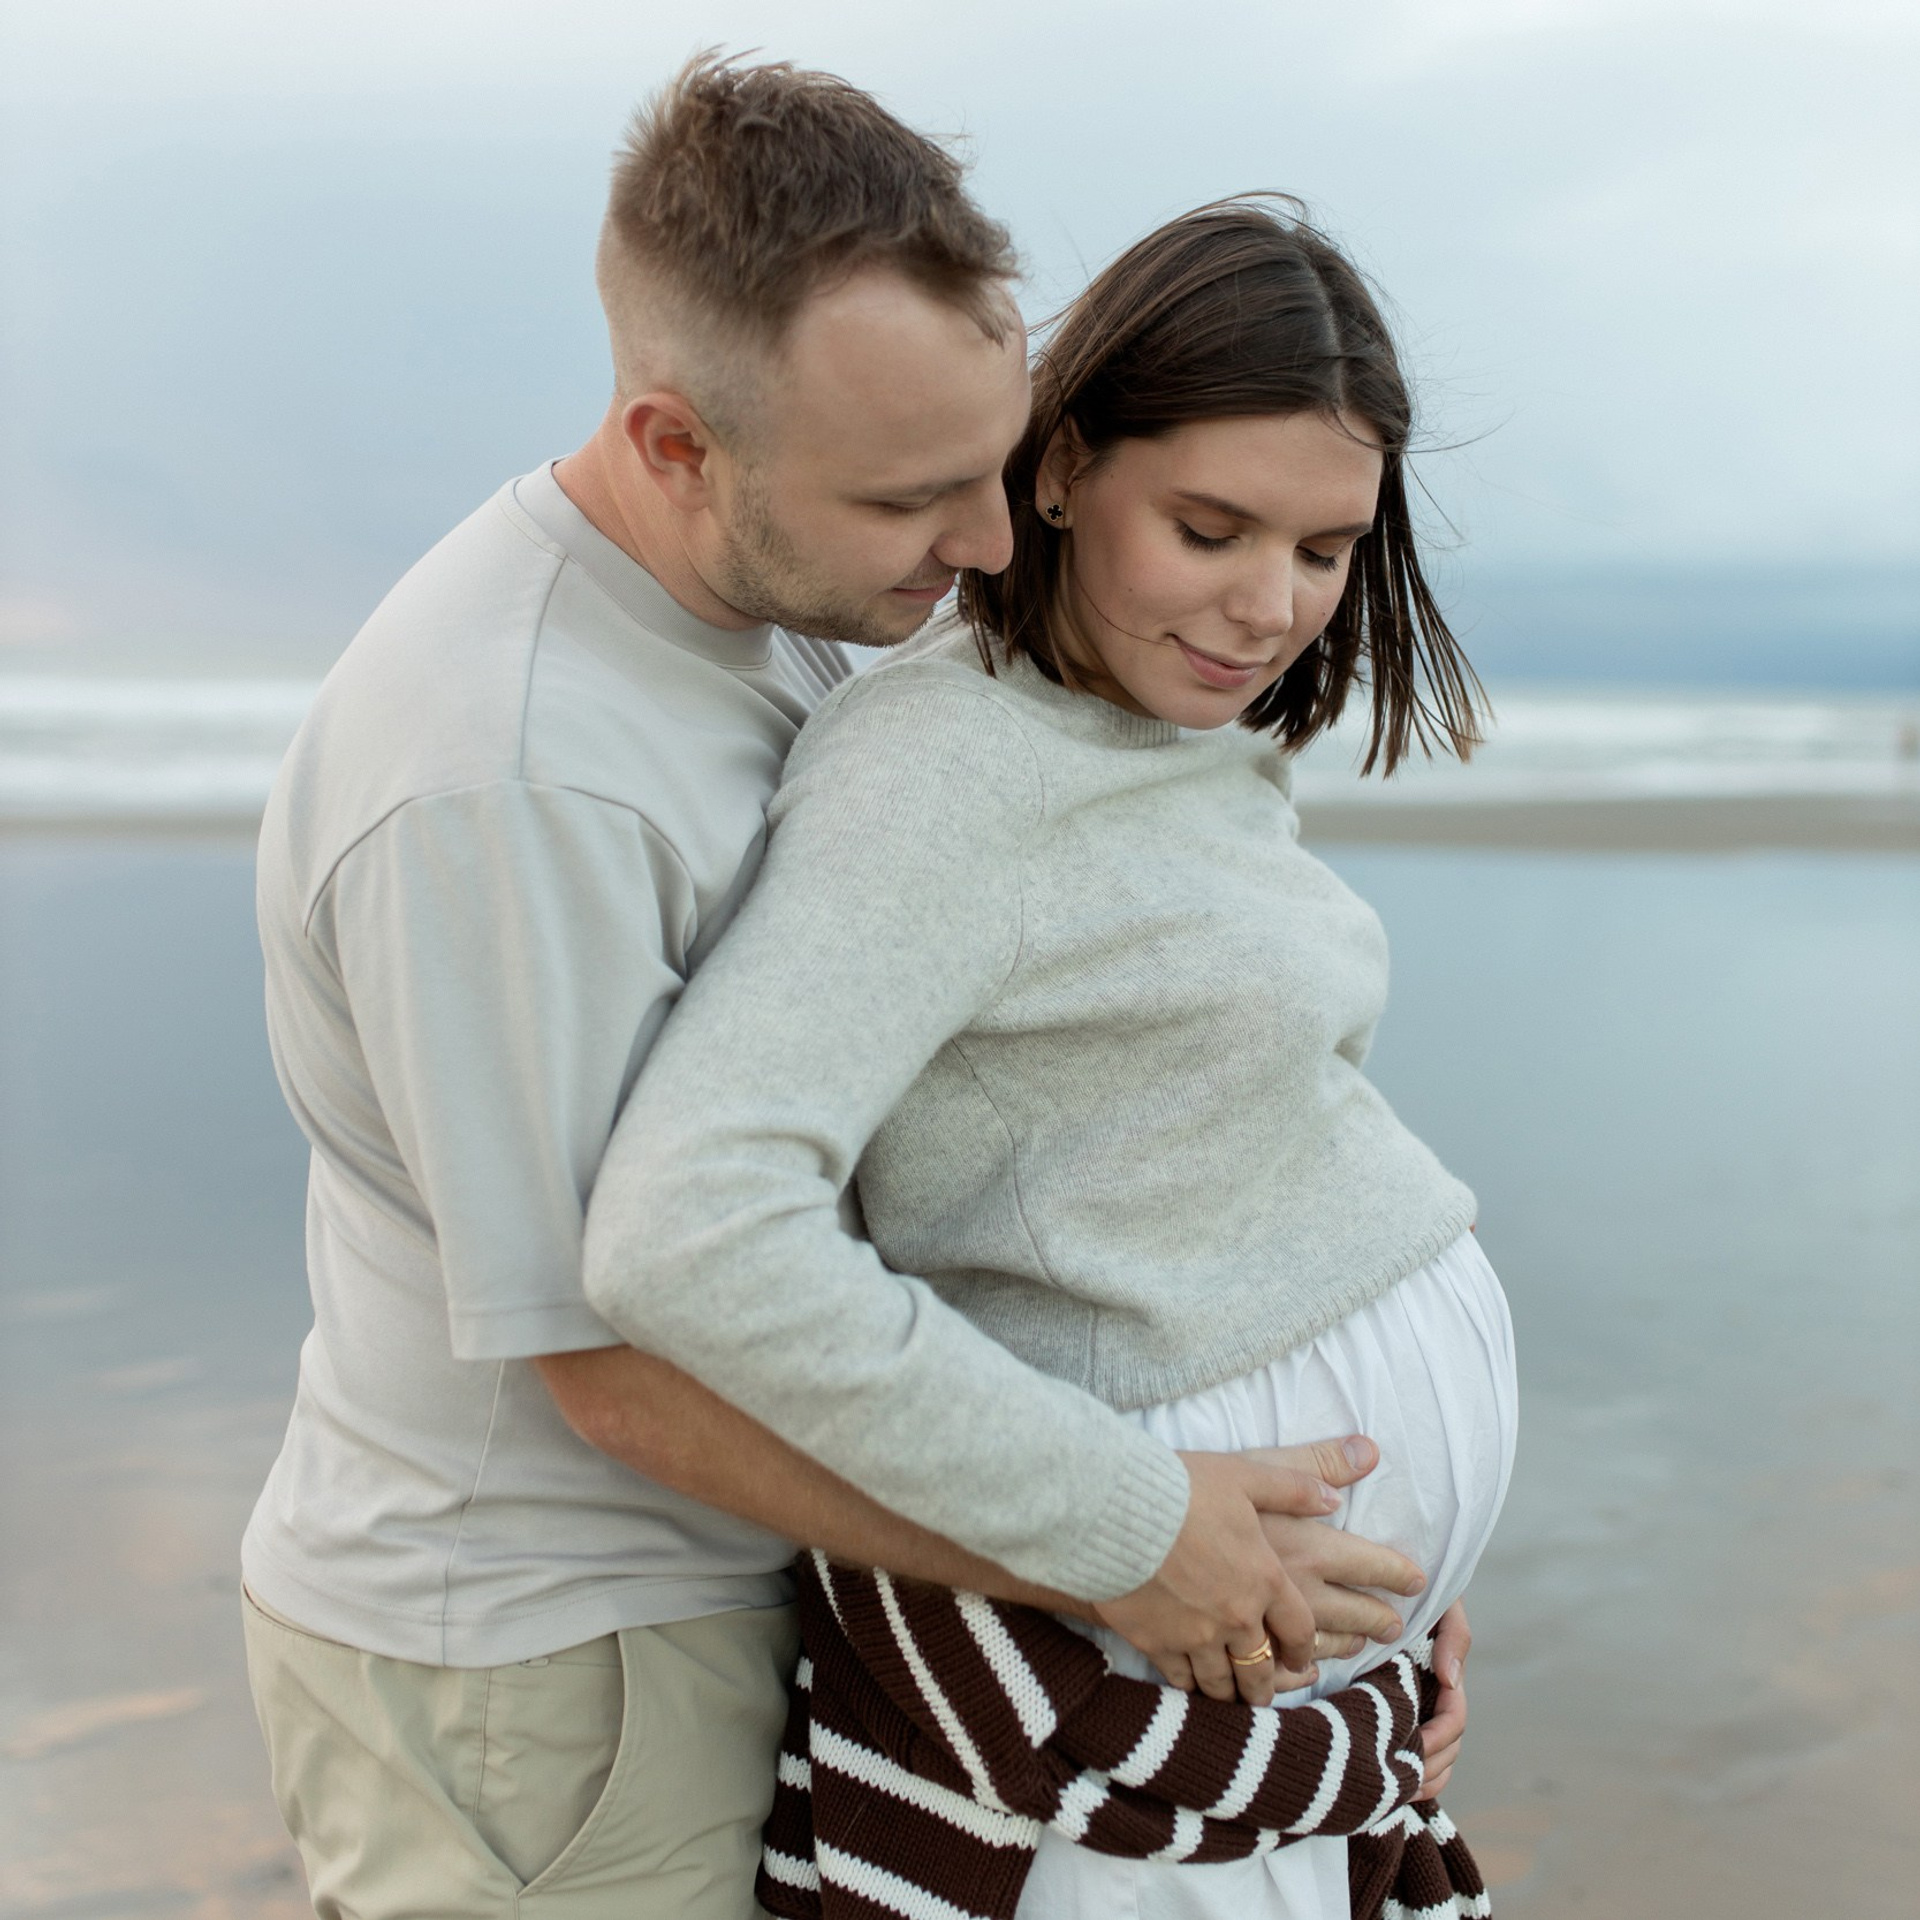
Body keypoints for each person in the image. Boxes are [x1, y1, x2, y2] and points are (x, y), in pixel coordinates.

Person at [240, 59, 1434, 1920]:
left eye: (994, 461)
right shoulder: (513, 779)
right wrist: (1125, 1549)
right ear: (673, 445)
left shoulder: (772, 609)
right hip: (553, 1661)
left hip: (720, 1593)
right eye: (910, 496)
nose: (984, 542)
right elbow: (612, 1364)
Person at [582, 195, 1514, 1919]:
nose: (1266, 608)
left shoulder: (1171, 730)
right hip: (1135, 1671)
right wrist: (1122, 1516)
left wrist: (1419, 1587)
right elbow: (684, 1232)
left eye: (1322, 552)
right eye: (1213, 527)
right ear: (1065, 464)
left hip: (1308, 1664)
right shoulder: (943, 772)